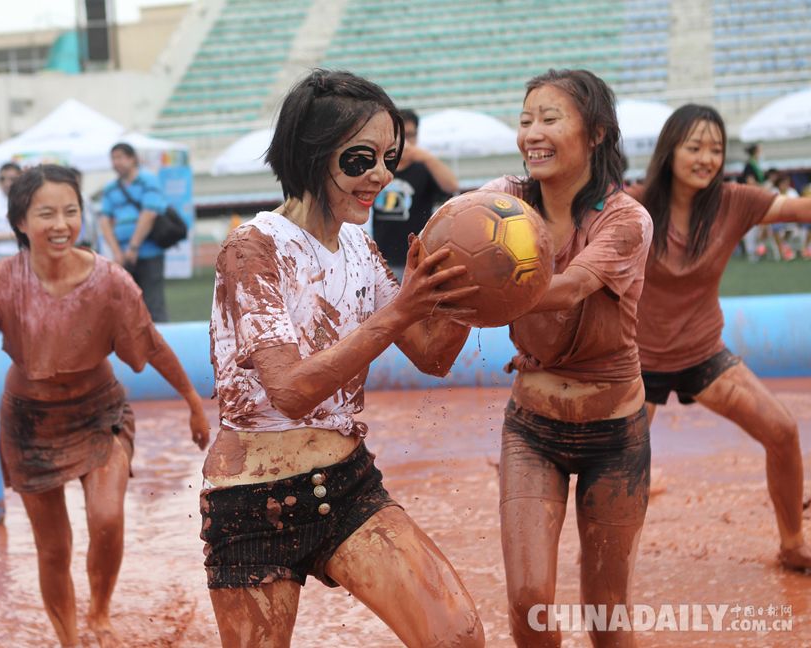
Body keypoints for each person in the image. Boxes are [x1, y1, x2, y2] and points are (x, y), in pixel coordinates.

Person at [203, 69, 485, 647]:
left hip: (347, 483)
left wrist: (467, 288)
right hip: (253, 503)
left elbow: (432, 356)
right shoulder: (251, 248)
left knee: (457, 635)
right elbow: (290, 390)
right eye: (360, 159)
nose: (381, 175)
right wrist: (402, 309)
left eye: (389, 156)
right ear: (312, 155)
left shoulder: (360, 244)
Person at [0, 165, 210, 647]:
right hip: (30, 423)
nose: (61, 223)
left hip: (99, 413)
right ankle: (68, 639)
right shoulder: (1, 282)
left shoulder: (111, 282)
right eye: (46, 213)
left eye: (71, 211)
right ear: (21, 222)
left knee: (107, 518)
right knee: (53, 548)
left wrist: (193, 401)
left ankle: (101, 615)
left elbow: (152, 346)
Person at [481, 69, 653, 647]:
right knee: (529, 601)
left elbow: (569, 286)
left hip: (616, 437)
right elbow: (453, 222)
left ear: (597, 132)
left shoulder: (625, 219)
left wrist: (486, 287)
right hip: (531, 431)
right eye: (526, 119)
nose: (533, 132)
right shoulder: (508, 198)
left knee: (607, 613)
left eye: (550, 119)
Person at [630, 104, 811, 572]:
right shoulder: (632, 207)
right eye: (694, 147)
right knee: (620, 474)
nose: (706, 158)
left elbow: (800, 207)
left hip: (703, 356)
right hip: (636, 364)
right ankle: (611, 563)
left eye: (715, 149)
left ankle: (792, 543)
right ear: (670, 152)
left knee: (783, 432)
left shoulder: (735, 201)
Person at [372, 108, 459, 278]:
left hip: (418, 257)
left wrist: (426, 158)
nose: (404, 141)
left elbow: (451, 186)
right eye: (398, 135)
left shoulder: (424, 167)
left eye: (410, 135)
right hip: (382, 257)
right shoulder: (380, 168)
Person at [98, 143, 169, 322]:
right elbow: (105, 220)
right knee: (128, 305)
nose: (116, 162)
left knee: (154, 305)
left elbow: (149, 213)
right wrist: (117, 253)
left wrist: (133, 246)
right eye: (113, 158)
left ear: (132, 159)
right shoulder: (110, 188)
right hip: (122, 255)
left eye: (121, 157)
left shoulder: (148, 180)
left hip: (149, 252)